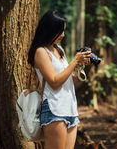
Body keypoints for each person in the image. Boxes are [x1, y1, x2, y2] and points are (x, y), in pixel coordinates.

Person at [28, 10, 91, 149]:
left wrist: (79, 67)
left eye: (63, 30)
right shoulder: (41, 52)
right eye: (59, 31)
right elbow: (55, 82)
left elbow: (69, 82)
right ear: (49, 30)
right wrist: (74, 61)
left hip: (70, 110)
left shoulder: (59, 50)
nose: (63, 35)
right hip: (54, 110)